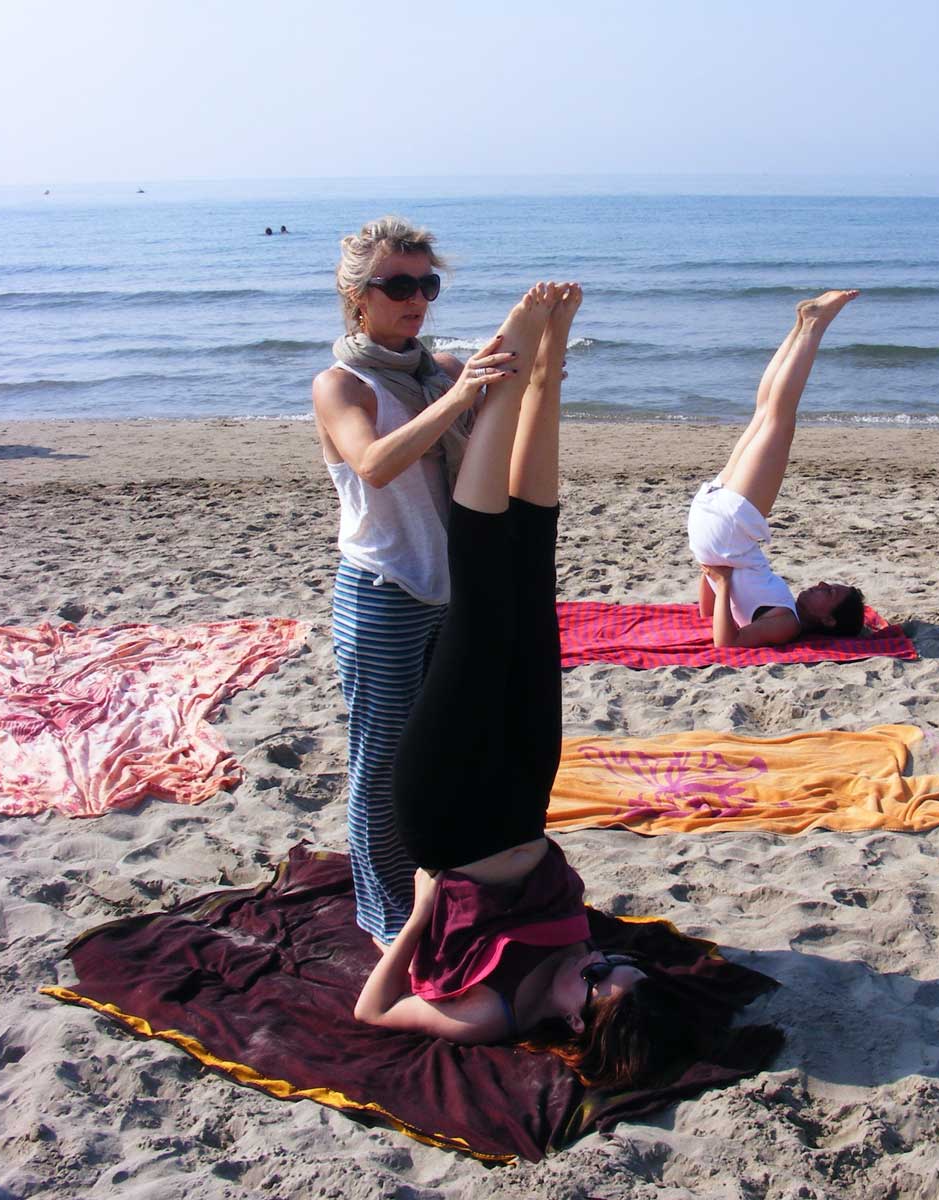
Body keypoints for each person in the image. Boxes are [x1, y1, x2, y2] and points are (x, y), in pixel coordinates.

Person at [354, 282, 696, 1088]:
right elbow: (584, 948)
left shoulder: (490, 1015)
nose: (597, 955)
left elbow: (373, 1011)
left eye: (597, 976)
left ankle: (502, 373)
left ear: (577, 1019)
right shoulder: (580, 955)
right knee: (532, 566)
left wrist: (419, 917)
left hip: (449, 816)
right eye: (617, 963)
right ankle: (546, 368)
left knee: (481, 593)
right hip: (524, 795)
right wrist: (591, 953)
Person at [313, 215, 511, 947]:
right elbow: (374, 463)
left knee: (444, 752)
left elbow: (493, 447)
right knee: (383, 762)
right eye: (399, 285)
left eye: (426, 284)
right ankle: (386, 918)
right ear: (358, 295)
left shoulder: (441, 372)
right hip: (384, 592)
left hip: (449, 589)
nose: (417, 299)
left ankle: (440, 891)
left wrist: (505, 374)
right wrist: (460, 400)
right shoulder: (343, 384)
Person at [689, 290, 866, 649]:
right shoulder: (779, 606)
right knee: (766, 414)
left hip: (725, 531)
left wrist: (722, 584)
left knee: (779, 420)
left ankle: (812, 325)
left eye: (828, 592)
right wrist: (713, 572)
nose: (819, 584)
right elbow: (706, 613)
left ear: (828, 620)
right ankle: (801, 325)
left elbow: (727, 643)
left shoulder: (788, 624)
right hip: (708, 524)